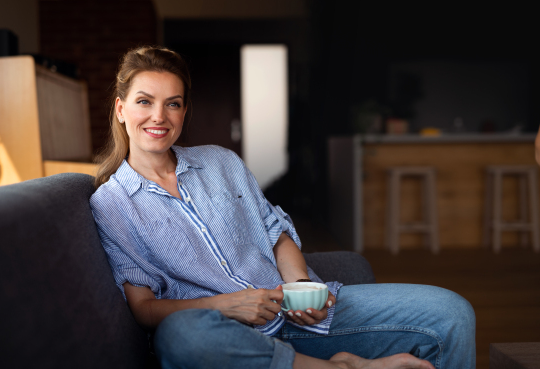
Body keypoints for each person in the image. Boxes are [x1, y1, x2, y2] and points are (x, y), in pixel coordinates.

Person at [90, 46, 476, 369]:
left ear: (184, 112)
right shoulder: (111, 203)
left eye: (172, 104)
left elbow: (276, 231)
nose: (159, 116)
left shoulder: (221, 162)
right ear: (122, 109)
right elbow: (144, 308)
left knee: (451, 313)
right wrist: (230, 306)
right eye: (145, 102)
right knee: (181, 337)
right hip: (227, 337)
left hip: (298, 317)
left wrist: (300, 286)